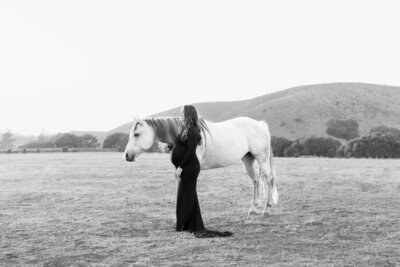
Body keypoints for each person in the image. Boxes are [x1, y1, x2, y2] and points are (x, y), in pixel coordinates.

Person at [170, 105, 232, 238]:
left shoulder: (192, 131)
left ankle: (189, 225)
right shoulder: (187, 129)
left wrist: (181, 167)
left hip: (190, 168)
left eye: (182, 114)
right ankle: (184, 224)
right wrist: (171, 147)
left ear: (187, 115)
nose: (180, 116)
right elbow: (182, 144)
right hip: (187, 167)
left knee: (187, 195)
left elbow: (191, 152)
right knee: (186, 195)